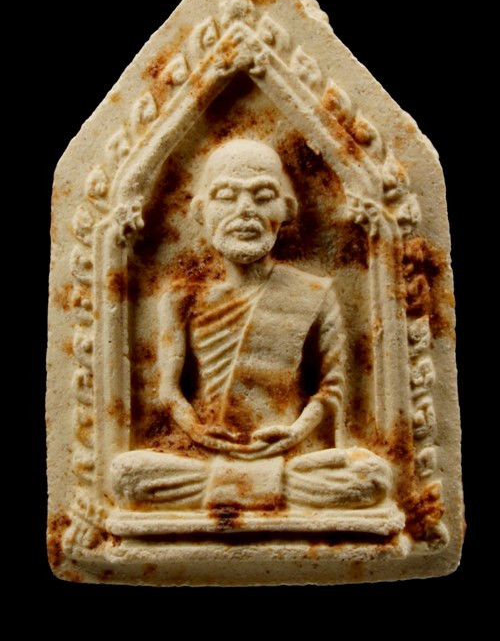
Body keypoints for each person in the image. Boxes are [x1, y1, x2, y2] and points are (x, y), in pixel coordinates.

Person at [112, 139, 391, 510]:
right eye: (226, 196)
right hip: (208, 452)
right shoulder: (180, 297)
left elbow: (332, 386)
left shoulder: (313, 292)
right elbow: (169, 390)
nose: (245, 210)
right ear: (201, 210)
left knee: (371, 477)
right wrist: (198, 431)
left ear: (286, 208)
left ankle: (243, 487)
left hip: (284, 451)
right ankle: (262, 489)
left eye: (262, 196)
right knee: (126, 475)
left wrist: (295, 433)